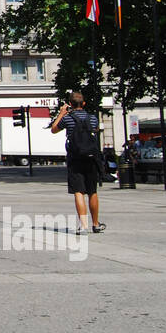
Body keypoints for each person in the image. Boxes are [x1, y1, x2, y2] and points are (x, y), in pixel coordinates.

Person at [50, 90, 105, 234]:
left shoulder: (68, 118)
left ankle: (83, 225)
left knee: (78, 191)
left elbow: (54, 129)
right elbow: (96, 130)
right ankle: (96, 223)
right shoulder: (92, 118)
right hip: (91, 158)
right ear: (84, 103)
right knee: (92, 191)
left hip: (75, 159)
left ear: (70, 104)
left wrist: (62, 113)